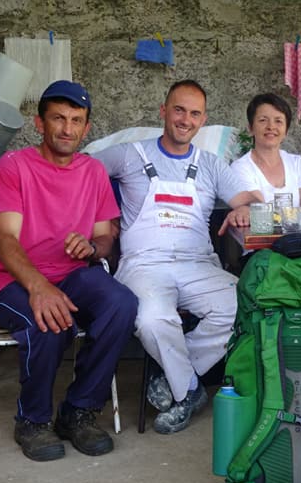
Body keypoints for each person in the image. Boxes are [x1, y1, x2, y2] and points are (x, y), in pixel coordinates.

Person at [0, 80, 139, 462]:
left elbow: (104, 238)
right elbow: (6, 239)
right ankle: (32, 420)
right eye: (58, 119)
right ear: (40, 123)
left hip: (70, 275)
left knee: (122, 303)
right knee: (48, 320)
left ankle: (78, 411)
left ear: (86, 128)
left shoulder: (93, 172)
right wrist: (38, 287)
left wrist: (91, 247)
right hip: (10, 279)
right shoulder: (14, 166)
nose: (67, 129)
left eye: (76, 120)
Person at [94, 80, 262, 434]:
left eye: (195, 113)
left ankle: (176, 374)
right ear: (164, 112)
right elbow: (79, 171)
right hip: (144, 265)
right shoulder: (129, 154)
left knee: (247, 305)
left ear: (203, 121)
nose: (186, 119)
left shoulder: (212, 164)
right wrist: (98, 218)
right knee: (153, 320)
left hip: (197, 264)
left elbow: (245, 199)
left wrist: (243, 209)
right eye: (179, 110)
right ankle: (189, 389)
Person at [229, 93, 301, 210]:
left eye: (278, 121)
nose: (271, 127)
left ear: (286, 131)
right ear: (251, 128)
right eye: (263, 120)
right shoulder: (240, 168)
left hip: (299, 228)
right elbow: (259, 210)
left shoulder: (297, 164)